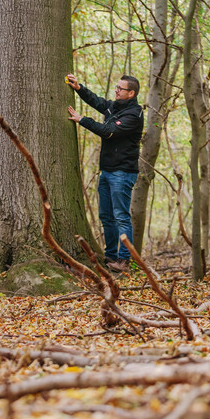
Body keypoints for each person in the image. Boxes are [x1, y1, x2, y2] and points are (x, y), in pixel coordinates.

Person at [66, 73, 144, 272]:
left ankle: (125, 260)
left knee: (121, 216)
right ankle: (111, 256)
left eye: (121, 88)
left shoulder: (134, 114)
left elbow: (108, 131)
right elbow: (99, 102)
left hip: (123, 173)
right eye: (116, 87)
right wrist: (79, 88)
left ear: (131, 93)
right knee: (106, 216)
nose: (116, 90)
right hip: (107, 171)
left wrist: (82, 119)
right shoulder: (116, 107)